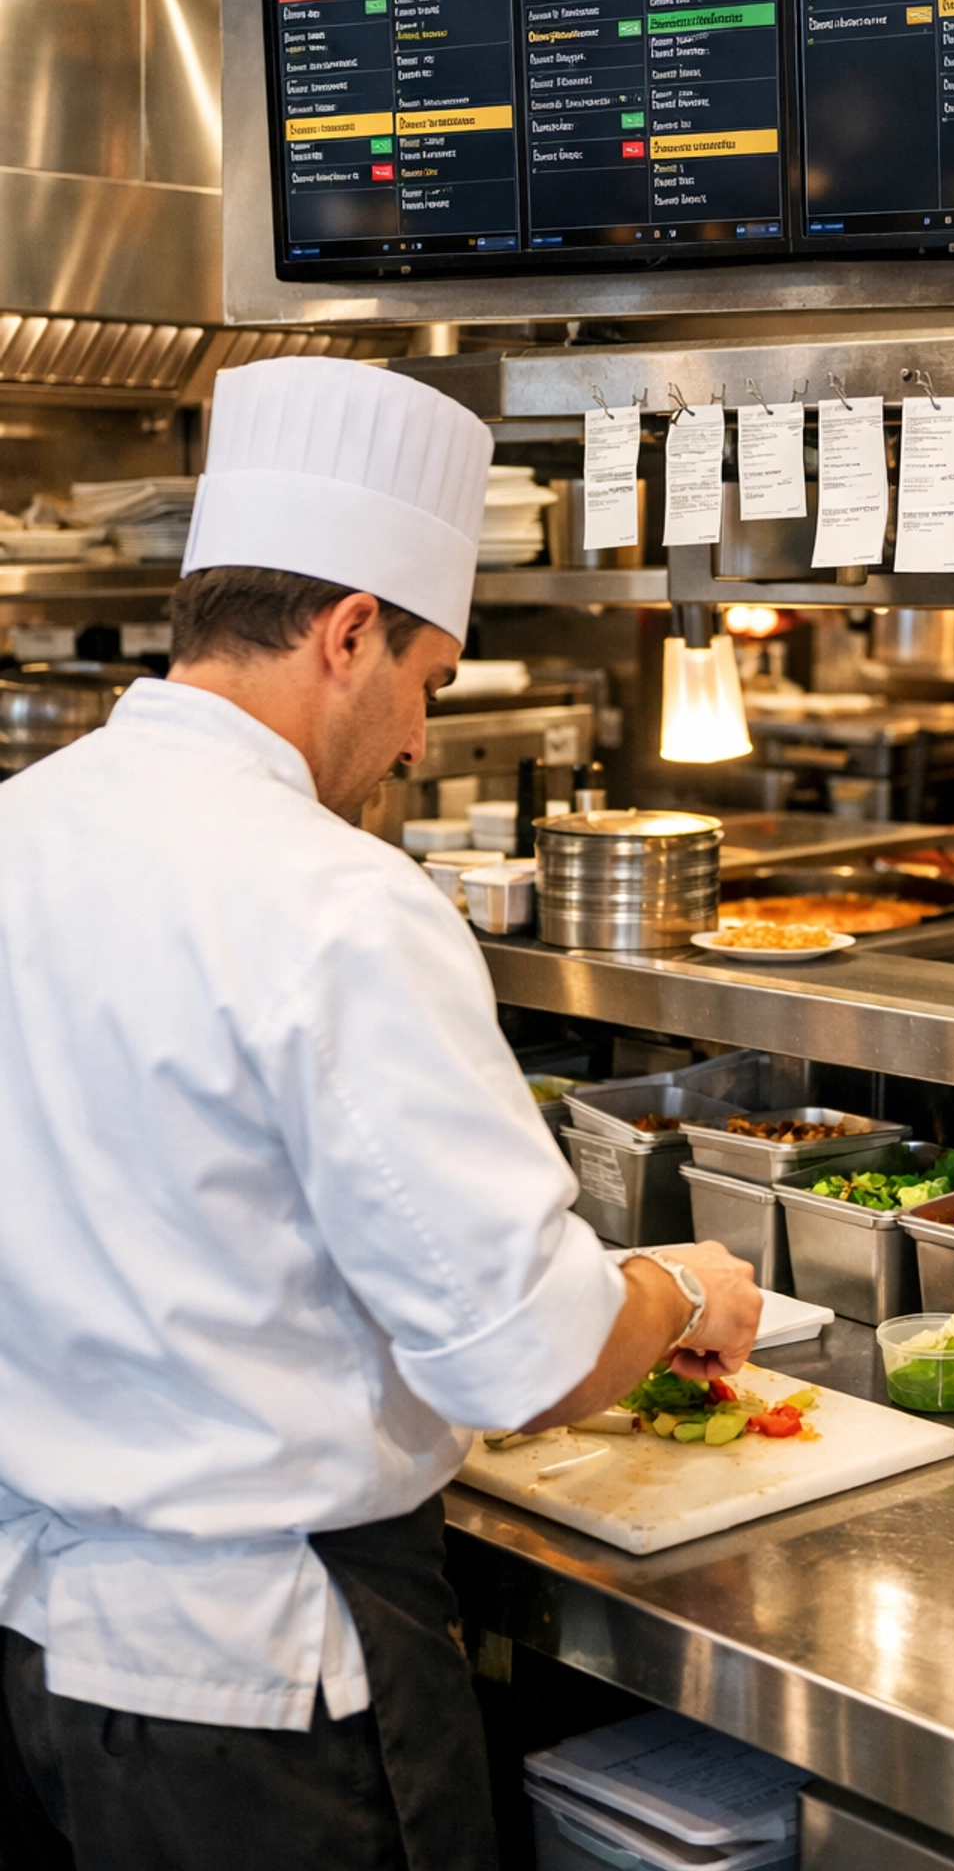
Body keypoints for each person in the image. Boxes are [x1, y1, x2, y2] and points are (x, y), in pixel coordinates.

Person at [0, 356, 761, 1871]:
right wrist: (682, 1290)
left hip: (45, 1648)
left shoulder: (25, 826)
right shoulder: (340, 899)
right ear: (350, 631)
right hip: (276, 1684)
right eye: (430, 683)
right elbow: (527, 1359)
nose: (419, 740)